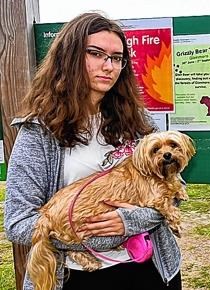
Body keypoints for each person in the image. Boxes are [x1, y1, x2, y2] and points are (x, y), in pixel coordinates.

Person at [4, 12, 182, 290]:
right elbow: (18, 221)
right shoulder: (39, 132)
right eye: (96, 53)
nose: (108, 66)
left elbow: (174, 187)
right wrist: (95, 235)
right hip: (78, 275)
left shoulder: (136, 121)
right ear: (70, 57)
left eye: (117, 58)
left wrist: (132, 221)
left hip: (147, 266)